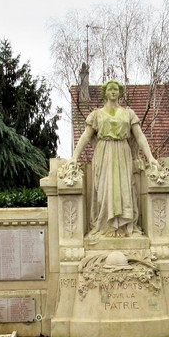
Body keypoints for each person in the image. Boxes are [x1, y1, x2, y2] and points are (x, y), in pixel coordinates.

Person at [69, 79, 157, 238]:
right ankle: (105, 227)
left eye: (116, 89)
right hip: (104, 153)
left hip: (123, 153)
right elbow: (86, 136)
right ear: (105, 92)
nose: (113, 91)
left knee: (124, 188)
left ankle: (124, 228)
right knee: (104, 189)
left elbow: (139, 136)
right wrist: (74, 157)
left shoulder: (129, 113)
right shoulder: (96, 114)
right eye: (110, 89)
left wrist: (150, 157)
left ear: (120, 92)